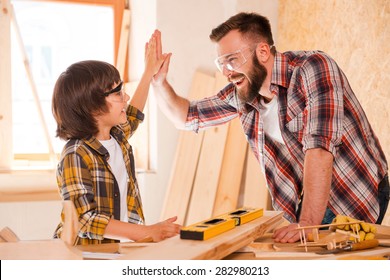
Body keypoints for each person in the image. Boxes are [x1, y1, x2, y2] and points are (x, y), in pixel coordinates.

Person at [151, 13, 389, 243]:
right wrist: (159, 83)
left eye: (232, 60)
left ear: (263, 51)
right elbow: (187, 117)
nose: (225, 72)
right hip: (311, 200)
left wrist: (306, 224)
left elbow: (320, 149)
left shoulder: (313, 68)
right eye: (221, 63)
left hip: (355, 191)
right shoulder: (245, 94)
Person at [52, 31, 180, 245]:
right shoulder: (76, 155)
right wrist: (146, 232)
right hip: (82, 256)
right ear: (93, 107)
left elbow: (134, 114)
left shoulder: (116, 137)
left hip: (114, 250)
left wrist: (149, 72)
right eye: (118, 93)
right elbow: (84, 220)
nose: (126, 97)